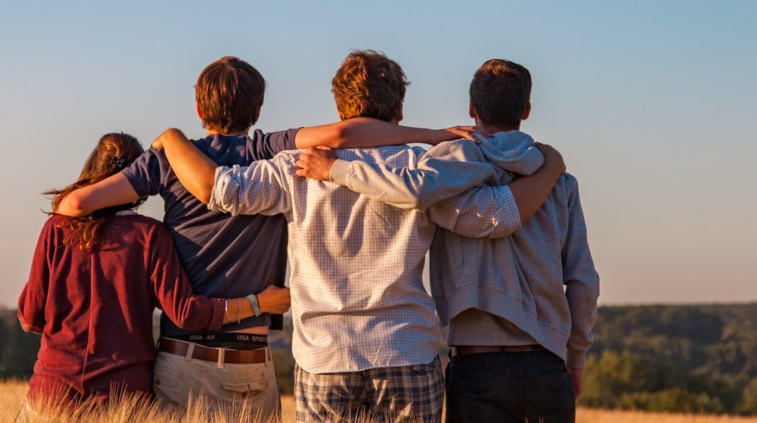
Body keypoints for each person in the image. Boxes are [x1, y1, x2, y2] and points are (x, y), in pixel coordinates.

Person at [52, 56, 476, 417]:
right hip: (259, 361)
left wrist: (166, 146)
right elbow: (344, 135)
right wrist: (433, 135)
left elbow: (74, 206)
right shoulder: (269, 150)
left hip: (188, 357)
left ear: (198, 108)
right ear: (257, 111)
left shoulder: (171, 161)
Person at [156, 50, 564, 423]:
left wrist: (170, 139)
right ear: (400, 108)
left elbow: (222, 191)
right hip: (405, 350)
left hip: (325, 357)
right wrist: (549, 168)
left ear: (339, 109)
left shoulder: (295, 168)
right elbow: (490, 218)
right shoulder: (421, 169)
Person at [295, 59, 600, 423]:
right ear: (527, 110)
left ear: (472, 108)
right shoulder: (560, 183)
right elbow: (583, 281)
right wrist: (576, 357)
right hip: (547, 364)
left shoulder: (446, 170)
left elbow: (416, 190)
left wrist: (336, 170)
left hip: (477, 364)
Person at [17, 132, 291, 409]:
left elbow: (30, 319)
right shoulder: (150, 236)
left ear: (92, 169)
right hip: (123, 398)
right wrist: (259, 303)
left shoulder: (57, 229)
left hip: (52, 394)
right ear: (139, 179)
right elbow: (186, 313)